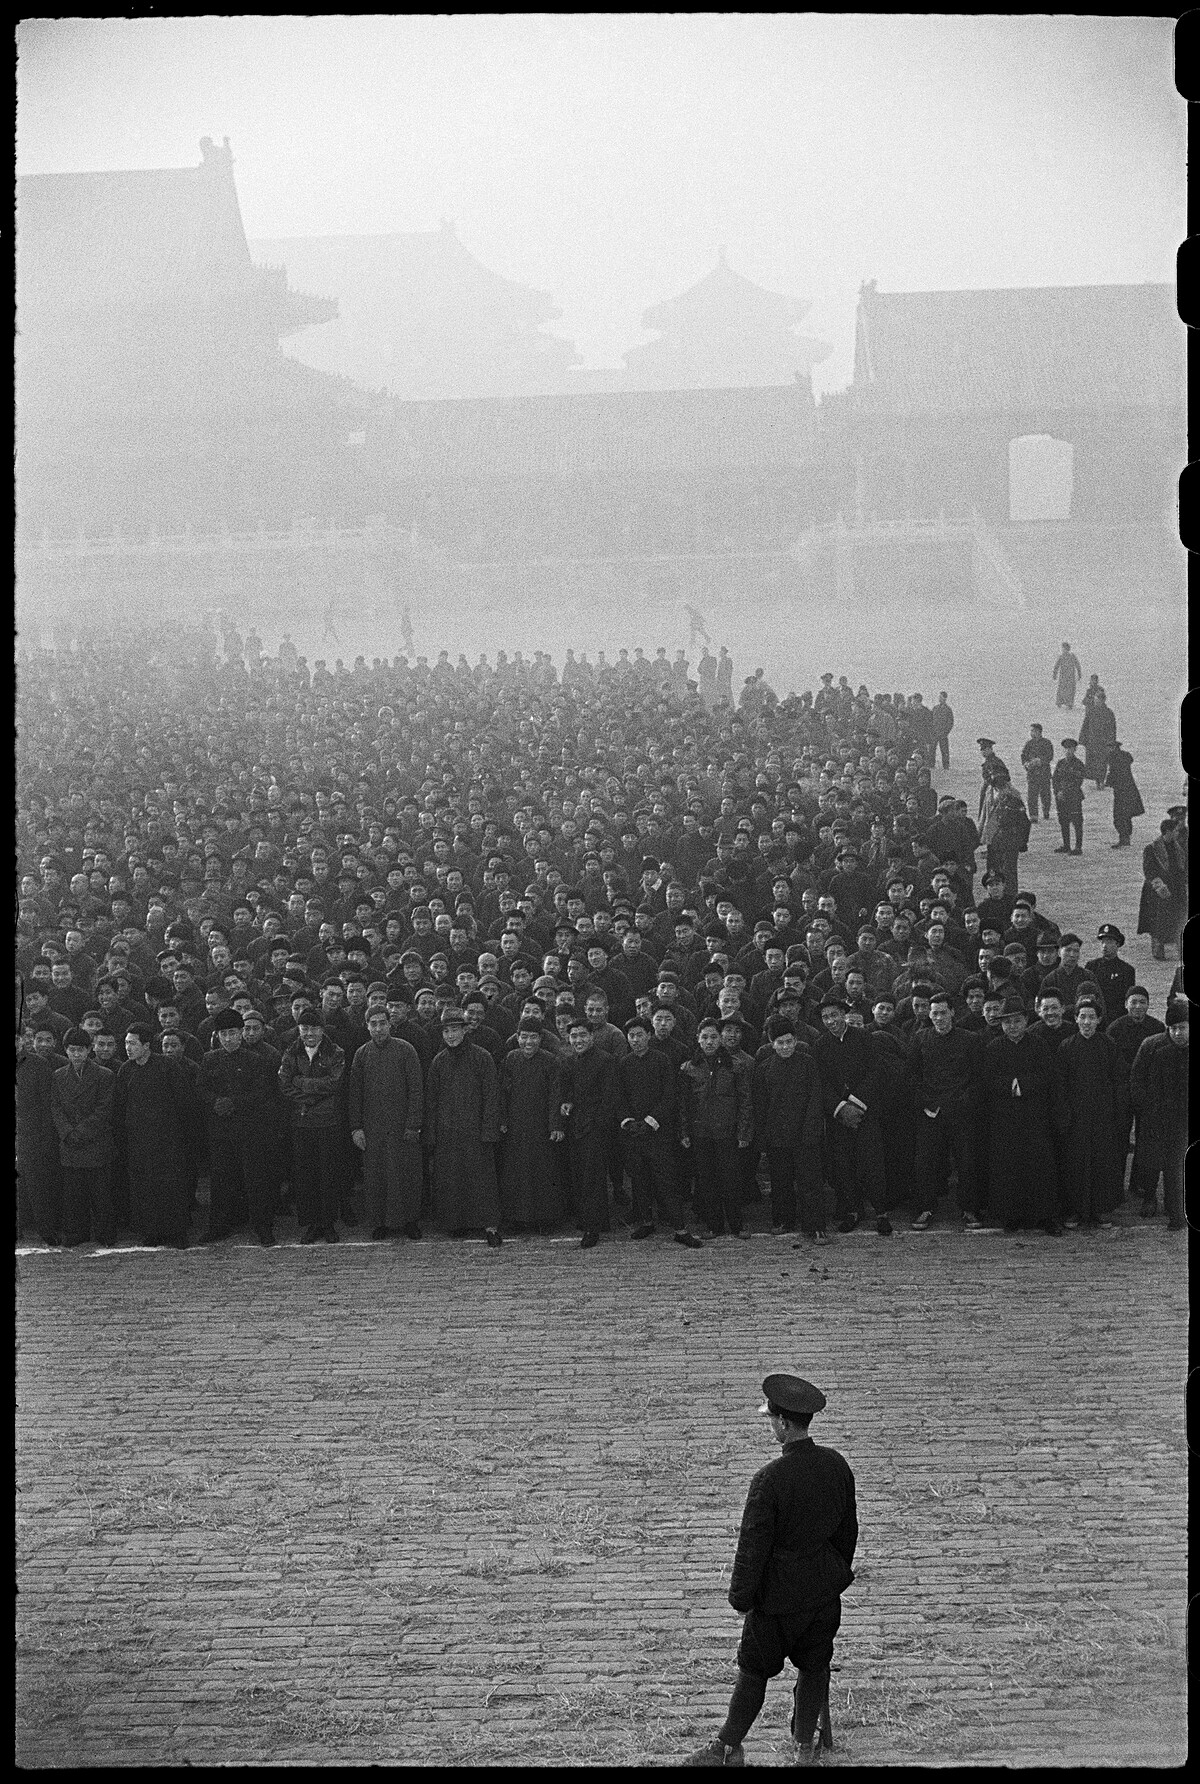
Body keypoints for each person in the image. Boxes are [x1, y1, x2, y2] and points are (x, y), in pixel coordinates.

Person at [685, 1374, 857, 1768]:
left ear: (781, 1422)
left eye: (771, 1419)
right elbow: (848, 1531)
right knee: (815, 1666)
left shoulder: (769, 1480)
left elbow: (753, 1549)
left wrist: (741, 1599)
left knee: (753, 1672)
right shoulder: (836, 1465)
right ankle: (803, 1747)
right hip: (822, 1595)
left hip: (776, 1601)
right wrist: (833, 1574)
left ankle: (728, 1746)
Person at [616, 1016, 703, 1247]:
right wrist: (629, 1122)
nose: (636, 1040)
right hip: (635, 1134)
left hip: (658, 1133)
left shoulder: (662, 1060)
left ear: (648, 1035)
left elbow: (669, 1095)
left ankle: (680, 1229)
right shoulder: (624, 1063)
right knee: (640, 1179)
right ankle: (646, 1222)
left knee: (666, 1181)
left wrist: (650, 1120)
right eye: (631, 1036)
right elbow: (620, 1097)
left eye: (640, 1035)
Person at [981, 995, 1062, 1233]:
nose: (1012, 1027)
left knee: (1039, 1165)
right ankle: (1012, 1215)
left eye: (1017, 1021)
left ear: (1026, 1021)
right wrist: (1010, 1086)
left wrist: (1023, 1085)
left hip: (1035, 1115)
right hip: (1005, 1117)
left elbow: (1048, 1077)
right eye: (1007, 1022)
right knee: (1008, 1166)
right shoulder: (994, 1048)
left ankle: (1044, 1216)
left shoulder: (1038, 1045)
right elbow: (987, 1082)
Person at [113, 1021, 196, 1247]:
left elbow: (184, 1102)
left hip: (167, 1140)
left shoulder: (167, 1067)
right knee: (144, 1187)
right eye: (126, 1043)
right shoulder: (125, 1070)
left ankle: (177, 1233)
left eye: (133, 1043)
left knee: (171, 1186)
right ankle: (152, 1231)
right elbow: (120, 1106)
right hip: (138, 1141)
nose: (128, 1048)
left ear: (147, 1045)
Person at [200, 1008, 279, 1245]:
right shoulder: (209, 1059)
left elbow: (262, 1092)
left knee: (255, 1180)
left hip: (249, 1129)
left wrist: (234, 1103)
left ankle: (263, 1227)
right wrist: (215, 1101)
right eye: (223, 1033)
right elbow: (200, 1088)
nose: (227, 1038)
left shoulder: (255, 1060)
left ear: (241, 1033)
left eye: (232, 1033)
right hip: (221, 1131)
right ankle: (219, 1226)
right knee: (221, 1180)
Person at [906, 992, 983, 1230]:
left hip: (961, 1113)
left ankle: (969, 1209)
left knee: (967, 1162)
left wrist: (963, 1102)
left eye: (943, 1012)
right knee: (925, 1163)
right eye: (934, 1013)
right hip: (932, 1112)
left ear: (952, 1012)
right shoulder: (920, 1039)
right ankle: (925, 1208)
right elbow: (912, 1076)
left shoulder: (970, 1040)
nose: (939, 1018)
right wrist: (926, 1102)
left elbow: (979, 1078)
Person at [349, 1006, 424, 1241]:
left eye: (383, 1023)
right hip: (373, 1126)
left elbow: (416, 1088)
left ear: (390, 1024)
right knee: (377, 1175)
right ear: (367, 1026)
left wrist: (413, 1124)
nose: (379, 1029)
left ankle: (409, 1220)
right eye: (374, 1024)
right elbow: (355, 1094)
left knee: (406, 1174)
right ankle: (380, 1221)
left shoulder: (405, 1049)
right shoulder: (361, 1054)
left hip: (401, 1125)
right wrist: (356, 1127)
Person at [1052, 998, 1125, 1227]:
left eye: (1091, 1017)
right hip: (1075, 1118)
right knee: (1074, 1164)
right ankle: (1074, 1210)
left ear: (1099, 1020)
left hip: (1103, 1116)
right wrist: (1064, 1116)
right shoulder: (1066, 1046)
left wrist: (1116, 1114)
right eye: (1082, 1017)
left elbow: (1119, 1081)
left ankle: (1101, 1209)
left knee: (1103, 1163)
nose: (1086, 1022)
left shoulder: (1108, 1045)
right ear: (1074, 1019)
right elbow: (1059, 1085)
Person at [679, 1017, 753, 1238]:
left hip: (727, 1132)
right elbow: (683, 1105)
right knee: (706, 1180)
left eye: (713, 1037)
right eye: (705, 1037)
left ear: (721, 1039)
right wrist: (683, 1132)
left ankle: (737, 1225)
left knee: (730, 1179)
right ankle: (714, 1225)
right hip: (701, 1133)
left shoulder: (735, 1066)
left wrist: (743, 1132)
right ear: (698, 1039)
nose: (709, 1042)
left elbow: (745, 1101)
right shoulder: (688, 1068)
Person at [751, 1016, 825, 1238]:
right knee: (781, 1182)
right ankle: (784, 1220)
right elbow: (761, 1106)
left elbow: (815, 1099)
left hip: (805, 1134)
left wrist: (811, 1130)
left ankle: (815, 1225)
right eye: (780, 1043)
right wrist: (764, 1138)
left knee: (809, 1182)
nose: (785, 1047)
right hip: (777, 1136)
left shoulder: (808, 1063)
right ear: (772, 1044)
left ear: (796, 1040)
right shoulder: (764, 1069)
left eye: (789, 1041)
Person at [278, 1007, 347, 1244]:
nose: (308, 1033)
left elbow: (334, 1083)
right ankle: (312, 1224)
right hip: (301, 1122)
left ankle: (328, 1223)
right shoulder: (291, 1051)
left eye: (313, 1028)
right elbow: (284, 1084)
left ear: (322, 1029)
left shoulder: (335, 1052)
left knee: (328, 1174)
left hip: (328, 1122)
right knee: (305, 1176)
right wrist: (308, 1095)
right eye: (304, 1028)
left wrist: (302, 1083)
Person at [50, 1027, 116, 1246]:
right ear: (66, 1051)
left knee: (101, 1194)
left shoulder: (104, 1075)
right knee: (73, 1194)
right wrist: (68, 1133)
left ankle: (105, 1233)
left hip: (96, 1143)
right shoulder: (58, 1076)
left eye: (81, 1050)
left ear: (89, 1050)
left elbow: (104, 1110)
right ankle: (77, 1233)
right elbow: (56, 1108)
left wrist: (81, 1132)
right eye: (72, 1050)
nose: (76, 1054)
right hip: (70, 1144)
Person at [498, 1019, 566, 1231]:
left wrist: (556, 1125)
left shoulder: (550, 1061)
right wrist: (502, 1120)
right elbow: (502, 1093)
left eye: (533, 1037)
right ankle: (517, 1218)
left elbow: (556, 1095)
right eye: (524, 1037)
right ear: (517, 1037)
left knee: (543, 1173)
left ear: (541, 1039)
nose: (528, 1042)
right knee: (515, 1173)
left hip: (541, 1126)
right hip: (516, 1126)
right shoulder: (511, 1059)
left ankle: (544, 1219)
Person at [559, 1015, 619, 1248]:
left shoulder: (605, 1060)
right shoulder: (570, 1061)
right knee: (580, 1176)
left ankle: (593, 1228)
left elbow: (609, 1097)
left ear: (592, 1036)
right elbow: (570, 1092)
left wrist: (598, 1125)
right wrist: (568, 1103)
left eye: (583, 1035)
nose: (578, 1040)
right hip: (576, 1126)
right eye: (574, 1036)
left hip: (596, 1128)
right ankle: (591, 1220)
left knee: (593, 1178)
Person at [1129, 999, 1188, 1231]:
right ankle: (1149, 1196)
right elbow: (1136, 1079)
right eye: (1173, 1028)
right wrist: (1145, 1108)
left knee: (1176, 1164)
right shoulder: (1151, 1046)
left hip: (1181, 1118)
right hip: (1154, 1115)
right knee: (1150, 1161)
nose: (1178, 1033)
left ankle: (1176, 1209)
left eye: (1182, 1027)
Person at [1137, 819, 1187, 961]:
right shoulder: (1152, 849)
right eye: (1176, 830)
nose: (1178, 833)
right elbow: (1149, 872)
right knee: (1159, 922)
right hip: (1158, 892)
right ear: (1168, 832)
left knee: (1179, 918)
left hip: (1177, 889)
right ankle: (1158, 948)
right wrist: (1159, 886)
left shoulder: (1179, 848)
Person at [1102, 742, 1144, 847]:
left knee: (1119, 816)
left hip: (1121, 792)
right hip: (1130, 790)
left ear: (1114, 748)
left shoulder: (1113, 758)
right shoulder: (1125, 756)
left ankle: (1124, 839)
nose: (1108, 750)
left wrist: (1107, 783)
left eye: (1109, 748)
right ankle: (1126, 837)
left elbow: (1113, 773)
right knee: (1127, 815)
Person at [1052, 738, 1085, 854]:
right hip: (1061, 798)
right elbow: (1055, 780)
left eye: (1070, 749)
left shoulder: (1078, 764)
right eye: (1066, 749)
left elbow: (1077, 782)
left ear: (1074, 749)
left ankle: (1078, 847)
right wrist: (1057, 792)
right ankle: (1066, 845)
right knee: (1063, 821)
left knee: (1077, 822)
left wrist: (1063, 792)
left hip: (1073, 797)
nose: (1068, 751)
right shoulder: (1060, 763)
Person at [1078, 688, 1116, 788]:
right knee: (1092, 763)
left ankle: (1101, 780)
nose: (1095, 701)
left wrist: (1111, 743)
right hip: (1092, 742)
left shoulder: (1109, 713)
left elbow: (1112, 729)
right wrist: (1082, 739)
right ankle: (1096, 780)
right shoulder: (1091, 711)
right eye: (1095, 700)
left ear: (1102, 700)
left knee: (1102, 763)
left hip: (1103, 743)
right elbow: (1085, 725)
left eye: (1097, 700)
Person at [1020, 724, 1054, 823]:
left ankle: (1046, 811)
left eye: (1033, 731)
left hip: (1044, 773)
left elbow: (1050, 756)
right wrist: (1026, 764)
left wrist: (1039, 761)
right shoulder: (1029, 744)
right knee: (1032, 795)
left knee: (1045, 794)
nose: (1032, 733)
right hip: (1032, 774)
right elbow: (1023, 756)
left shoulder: (1047, 743)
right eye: (1031, 731)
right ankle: (1033, 815)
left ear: (1039, 732)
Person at [1052, 642, 1082, 709]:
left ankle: (1069, 703)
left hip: (1070, 677)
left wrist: (1079, 674)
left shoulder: (1072, 656)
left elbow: (1077, 665)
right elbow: (1056, 666)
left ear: (1066, 649)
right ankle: (1060, 703)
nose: (1063, 649)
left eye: (1063, 648)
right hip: (1063, 677)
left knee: (1070, 690)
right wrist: (1054, 674)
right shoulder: (1061, 656)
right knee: (1062, 690)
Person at [929, 692, 954, 770]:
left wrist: (945, 732)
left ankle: (946, 766)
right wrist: (932, 730)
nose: (939, 698)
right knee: (932, 749)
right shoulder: (935, 708)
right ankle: (931, 764)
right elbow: (931, 719)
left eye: (941, 697)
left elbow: (950, 722)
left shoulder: (948, 710)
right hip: (934, 733)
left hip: (943, 734)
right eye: (939, 697)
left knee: (944, 751)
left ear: (944, 698)